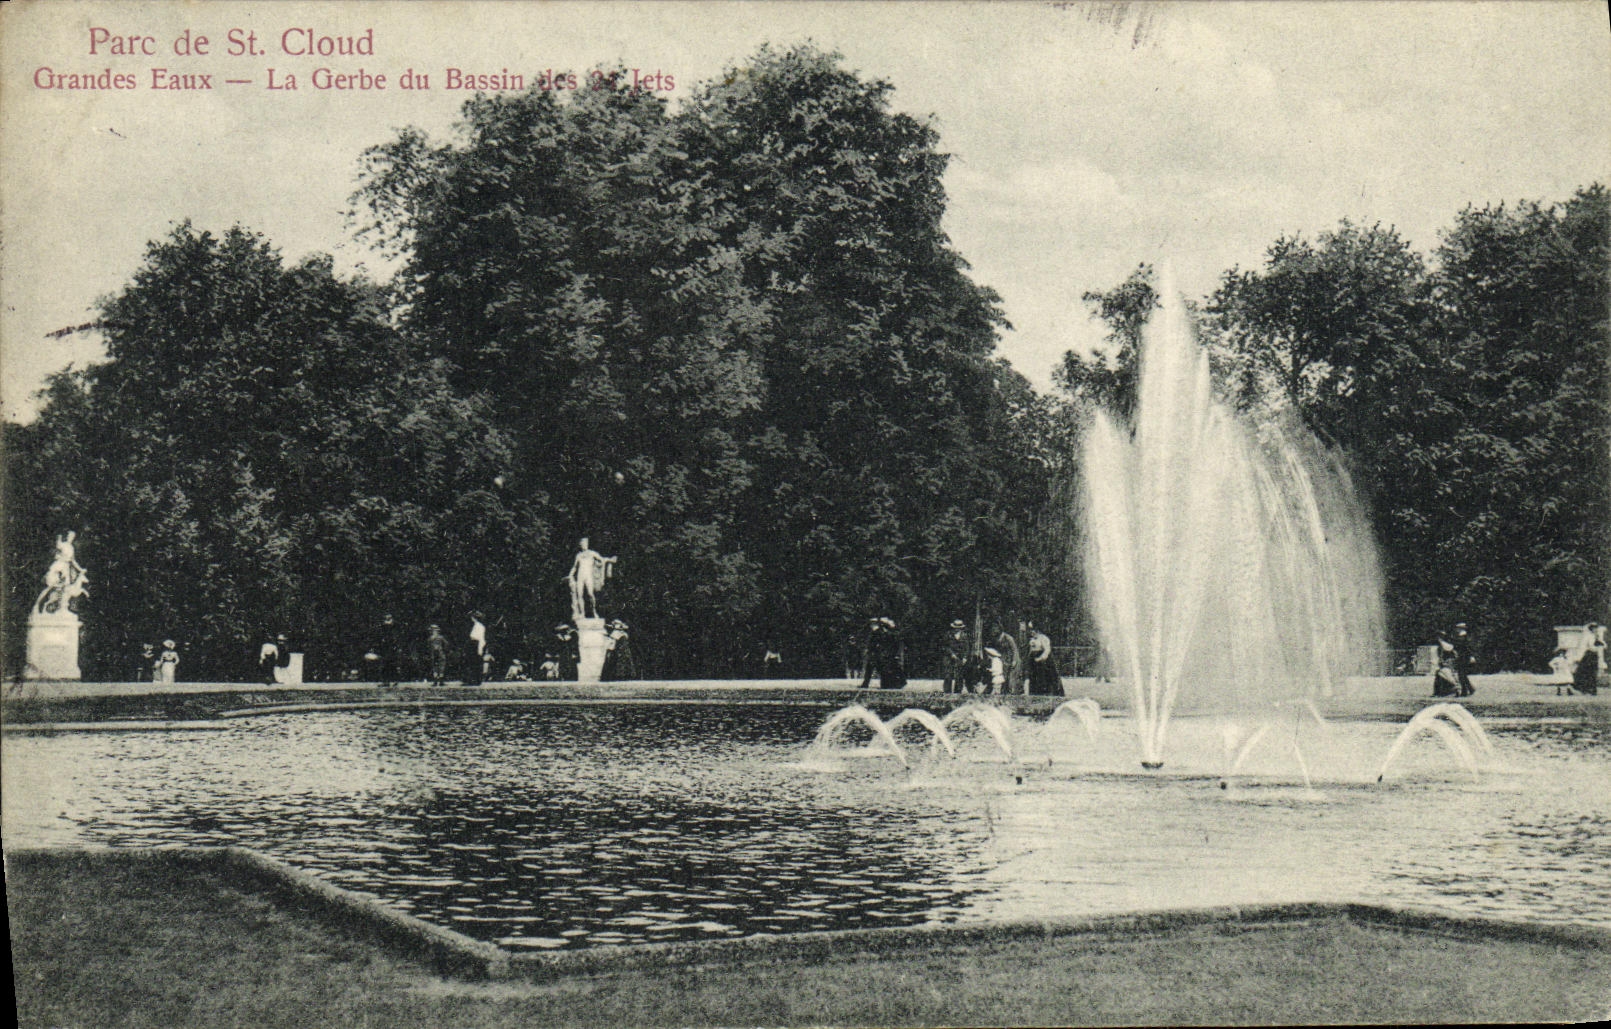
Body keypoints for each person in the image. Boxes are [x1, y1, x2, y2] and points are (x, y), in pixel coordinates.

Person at [567, 537, 618, 621]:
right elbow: (575, 567)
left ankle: (594, 611)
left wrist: (609, 560)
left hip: (588, 576)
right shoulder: (579, 555)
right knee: (580, 594)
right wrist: (570, 574)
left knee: (590, 594)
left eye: (586, 543)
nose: (584, 545)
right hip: (580, 576)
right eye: (583, 544)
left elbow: (602, 559)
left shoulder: (592, 553)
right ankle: (582, 613)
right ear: (580, 545)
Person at [859, 617, 907, 690]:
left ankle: (888, 684)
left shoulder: (883, 632)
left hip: (881, 654)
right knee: (880, 669)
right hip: (881, 654)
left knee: (882, 669)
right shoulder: (884, 632)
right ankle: (885, 684)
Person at [1026, 621, 1063, 696]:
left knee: (1044, 678)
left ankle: (1047, 693)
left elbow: (1047, 650)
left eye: (1033, 630)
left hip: (1043, 662)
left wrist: (1040, 658)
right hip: (1034, 662)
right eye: (1030, 630)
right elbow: (1031, 650)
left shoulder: (1043, 638)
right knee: (1034, 678)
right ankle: (1035, 694)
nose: (1031, 632)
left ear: (1037, 630)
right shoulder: (1032, 639)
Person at [1573, 623, 1603, 697]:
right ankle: (1585, 689)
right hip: (1589, 655)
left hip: (1594, 656)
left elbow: (1604, 645)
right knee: (1587, 672)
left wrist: (1599, 643)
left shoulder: (1597, 636)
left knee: (1593, 672)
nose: (1595, 629)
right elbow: (1589, 646)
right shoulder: (1588, 636)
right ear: (1591, 629)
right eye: (1594, 628)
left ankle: (1592, 690)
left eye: (1596, 628)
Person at [941, 619, 970, 694]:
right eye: (955, 627)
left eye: (958, 628)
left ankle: (958, 692)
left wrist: (965, 657)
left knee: (959, 675)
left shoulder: (964, 636)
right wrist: (951, 654)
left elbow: (967, 648)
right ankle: (947, 692)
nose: (956, 629)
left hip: (960, 657)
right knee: (948, 675)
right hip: (949, 657)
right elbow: (944, 646)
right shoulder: (948, 634)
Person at [374, 613, 403, 687]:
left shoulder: (395, 628)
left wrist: (397, 647)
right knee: (384, 665)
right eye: (386, 618)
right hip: (385, 649)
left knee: (393, 665)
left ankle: (394, 680)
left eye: (389, 618)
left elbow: (397, 638)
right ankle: (385, 681)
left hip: (393, 649)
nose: (387, 620)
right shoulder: (382, 628)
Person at [993, 623, 1022, 695]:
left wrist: (1015, 660)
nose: (994, 630)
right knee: (1004, 678)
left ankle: (1013, 693)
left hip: (1013, 660)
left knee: (1012, 679)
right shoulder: (998, 639)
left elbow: (1014, 649)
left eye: (995, 629)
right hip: (1006, 661)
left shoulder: (1008, 638)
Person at [1451, 623, 1476, 697]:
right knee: (1463, 675)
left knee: (1461, 674)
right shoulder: (1463, 637)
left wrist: (1471, 656)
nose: (1457, 629)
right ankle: (1470, 689)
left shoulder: (1463, 637)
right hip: (1463, 657)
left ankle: (1465, 691)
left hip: (1464, 657)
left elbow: (1467, 648)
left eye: (1458, 628)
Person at [465, 611, 487, 686]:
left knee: (477, 663)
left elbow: (480, 638)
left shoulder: (480, 626)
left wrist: (480, 649)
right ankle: (472, 679)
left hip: (476, 644)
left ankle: (477, 680)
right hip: (473, 644)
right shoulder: (476, 625)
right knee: (473, 663)